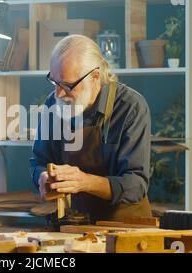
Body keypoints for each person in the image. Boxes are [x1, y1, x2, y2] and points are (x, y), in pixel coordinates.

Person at [30, 35, 152, 222]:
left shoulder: (130, 107)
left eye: (68, 85)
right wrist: (43, 178)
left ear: (95, 77)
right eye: (54, 82)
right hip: (71, 225)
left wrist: (84, 182)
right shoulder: (52, 104)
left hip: (123, 227)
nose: (59, 94)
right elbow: (38, 161)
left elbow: (136, 185)